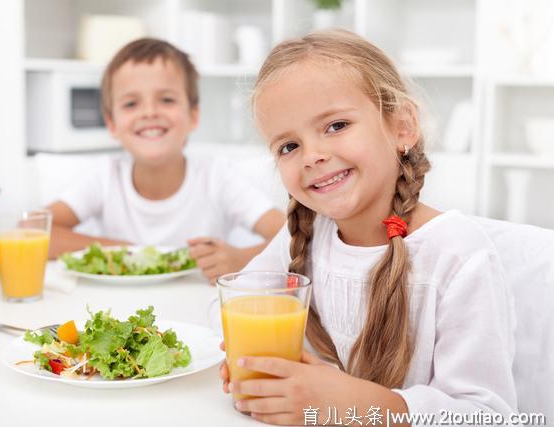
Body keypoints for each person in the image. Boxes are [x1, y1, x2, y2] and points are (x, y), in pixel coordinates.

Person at [214, 30, 518, 425]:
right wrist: (248, 358)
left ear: (402, 127)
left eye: (336, 125)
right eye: (288, 147)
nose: (313, 156)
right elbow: (233, 302)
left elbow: (486, 416)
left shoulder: (457, 255)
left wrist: (350, 405)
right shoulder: (305, 233)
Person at [47, 38, 285, 283]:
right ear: (111, 124)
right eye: (131, 103)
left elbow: (292, 237)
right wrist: (125, 251)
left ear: (193, 115)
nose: (150, 112)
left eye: (166, 100)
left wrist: (240, 259)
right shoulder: (105, 176)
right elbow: (34, 231)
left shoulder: (216, 176)